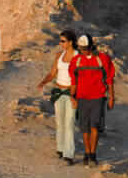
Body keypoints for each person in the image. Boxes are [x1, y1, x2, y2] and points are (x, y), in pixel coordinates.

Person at [68, 33, 115, 165]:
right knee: (85, 128)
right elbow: (74, 80)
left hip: (98, 97)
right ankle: (87, 153)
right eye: (81, 49)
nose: (83, 51)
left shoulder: (103, 59)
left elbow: (109, 79)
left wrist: (111, 97)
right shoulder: (76, 60)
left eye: (85, 49)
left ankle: (92, 154)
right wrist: (72, 96)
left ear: (92, 47)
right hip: (82, 97)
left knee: (94, 126)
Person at [37, 29, 79, 164]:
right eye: (60, 41)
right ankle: (60, 149)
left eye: (63, 41)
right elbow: (52, 73)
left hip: (71, 93)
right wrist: (43, 82)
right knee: (60, 123)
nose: (60, 43)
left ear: (70, 42)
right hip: (58, 92)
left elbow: (81, 78)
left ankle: (69, 155)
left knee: (69, 124)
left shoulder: (78, 58)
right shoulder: (59, 55)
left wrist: (75, 94)